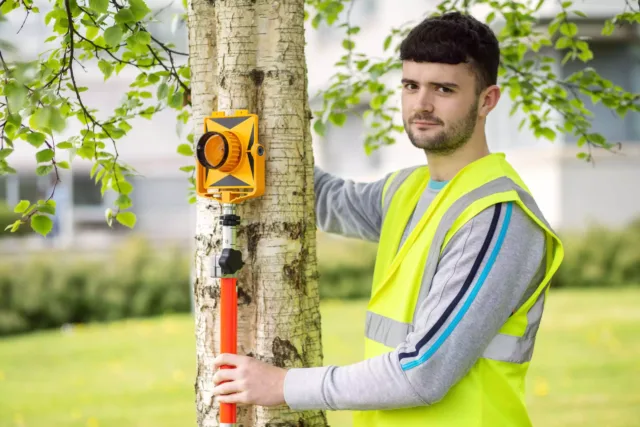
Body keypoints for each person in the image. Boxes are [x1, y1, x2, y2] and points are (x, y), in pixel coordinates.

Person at [211, 11, 564, 427]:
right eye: (411, 85)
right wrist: (235, 137)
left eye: (444, 89)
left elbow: (422, 373)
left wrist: (284, 385)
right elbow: (320, 198)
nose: (422, 104)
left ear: (487, 100)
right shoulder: (408, 190)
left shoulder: (495, 215)